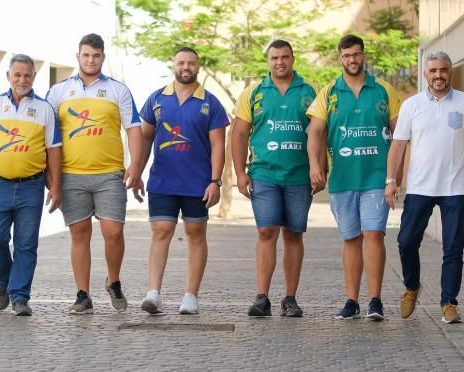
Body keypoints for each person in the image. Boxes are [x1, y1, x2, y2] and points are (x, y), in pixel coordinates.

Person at [385, 51, 464, 324]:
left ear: (450, 72)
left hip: (455, 188)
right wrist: (391, 180)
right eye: (433, 71)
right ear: (425, 74)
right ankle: (411, 287)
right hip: (419, 187)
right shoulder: (412, 105)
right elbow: (398, 145)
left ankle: (449, 302)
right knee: (406, 241)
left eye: (443, 70)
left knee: (453, 248)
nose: (438, 75)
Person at [46, 34, 144, 314]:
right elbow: (48, 136)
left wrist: (135, 166)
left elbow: (133, 129)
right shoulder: (58, 91)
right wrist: (49, 177)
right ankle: (82, 294)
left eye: (96, 56)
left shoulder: (118, 90)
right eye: (86, 55)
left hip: (110, 174)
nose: (91, 60)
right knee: (80, 234)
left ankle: (113, 281)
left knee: (113, 232)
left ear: (103, 57)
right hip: (70, 175)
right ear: (78, 56)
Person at [306, 34, 401, 321]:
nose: (352, 60)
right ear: (340, 58)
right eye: (346, 55)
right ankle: (351, 301)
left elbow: (401, 136)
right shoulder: (328, 92)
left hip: (376, 178)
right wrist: (314, 166)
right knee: (350, 238)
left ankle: (375, 300)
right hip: (343, 179)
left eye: (356, 54)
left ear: (363, 56)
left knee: (373, 234)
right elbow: (315, 132)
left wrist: (393, 176)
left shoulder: (384, 90)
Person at [0, 54, 63, 316]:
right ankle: (3, 283)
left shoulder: (45, 109)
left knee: (26, 244)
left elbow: (54, 150)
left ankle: (20, 296)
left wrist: (56, 186)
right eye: (17, 75)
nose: (22, 80)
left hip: (32, 186)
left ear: (33, 77)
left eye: (27, 75)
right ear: (8, 76)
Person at [138, 47, 229, 315]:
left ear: (198, 67)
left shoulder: (210, 103)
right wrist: (135, 171)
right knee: (161, 231)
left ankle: (191, 296)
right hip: (162, 181)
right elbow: (144, 138)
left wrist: (215, 181)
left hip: (197, 183)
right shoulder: (156, 99)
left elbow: (218, 146)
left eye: (190, 63)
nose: (185, 67)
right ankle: (153, 294)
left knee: (195, 234)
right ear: (173, 65)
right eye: (181, 62)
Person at [231, 40, 317, 318]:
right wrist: (240, 173)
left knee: (293, 233)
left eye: (284, 57)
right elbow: (239, 133)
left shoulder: (309, 91)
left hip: (299, 175)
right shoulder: (254, 92)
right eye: (274, 58)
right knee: (266, 231)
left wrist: (319, 168)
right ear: (267, 61)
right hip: (263, 173)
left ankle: (290, 299)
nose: (280, 62)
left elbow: (319, 132)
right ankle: (262, 297)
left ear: (293, 59)